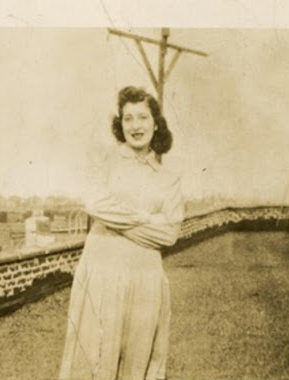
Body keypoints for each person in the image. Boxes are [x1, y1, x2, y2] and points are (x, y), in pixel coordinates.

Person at [59, 86, 184, 380]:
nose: (135, 126)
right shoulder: (105, 161)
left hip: (146, 278)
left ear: (156, 122)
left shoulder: (168, 177)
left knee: (138, 361)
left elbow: (169, 234)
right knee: (95, 358)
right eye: (128, 118)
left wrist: (119, 220)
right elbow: (95, 204)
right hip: (103, 271)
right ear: (120, 124)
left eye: (142, 117)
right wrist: (146, 218)